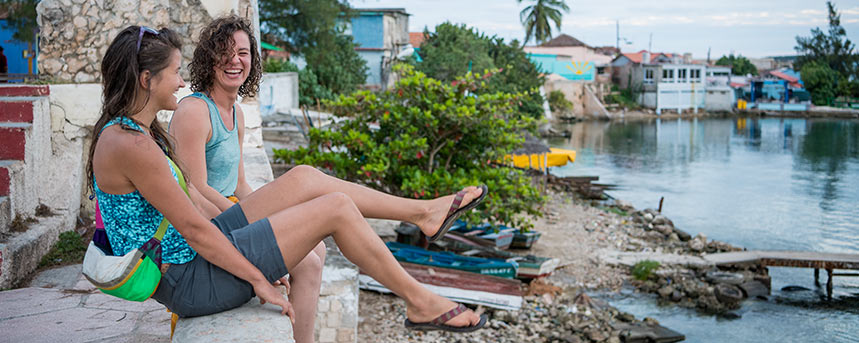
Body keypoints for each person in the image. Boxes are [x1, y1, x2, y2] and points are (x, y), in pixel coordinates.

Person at [91, 23, 487, 338]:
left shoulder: (135, 133)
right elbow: (194, 230)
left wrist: (264, 237)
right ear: (146, 79)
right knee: (335, 209)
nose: (181, 81)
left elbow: (193, 196)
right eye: (175, 72)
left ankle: (424, 212)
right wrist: (257, 277)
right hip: (190, 280)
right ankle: (419, 301)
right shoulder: (130, 144)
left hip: (194, 258)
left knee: (303, 179)